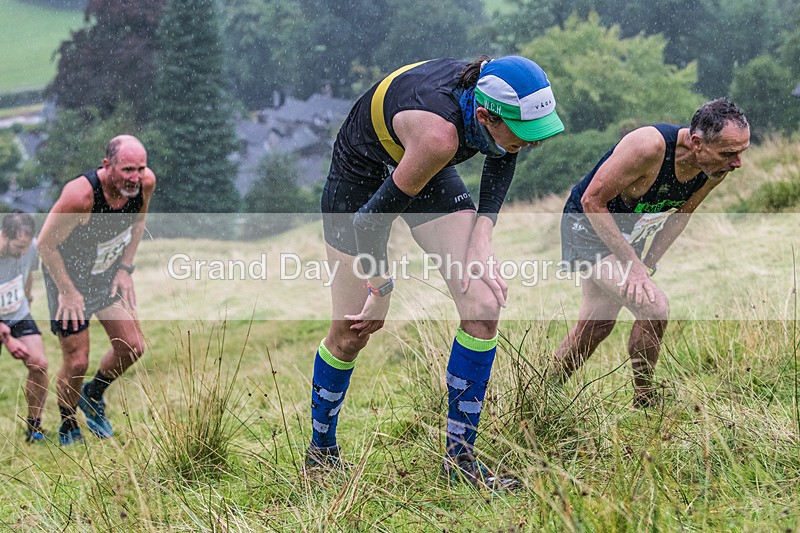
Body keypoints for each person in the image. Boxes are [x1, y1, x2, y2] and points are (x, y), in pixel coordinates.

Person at [309, 56, 564, 489]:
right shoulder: (440, 135)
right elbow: (369, 223)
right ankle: (321, 454)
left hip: (423, 168)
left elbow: (505, 150)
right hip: (360, 177)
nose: (532, 144)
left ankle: (460, 462)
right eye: (525, 134)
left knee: (482, 305)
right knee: (351, 330)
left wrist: (483, 230)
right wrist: (382, 287)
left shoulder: (496, 92)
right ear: (485, 115)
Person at [550, 98, 750, 407]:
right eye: (729, 153)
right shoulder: (648, 146)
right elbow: (592, 202)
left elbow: (682, 214)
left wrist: (648, 263)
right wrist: (634, 266)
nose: (737, 163)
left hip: (629, 232)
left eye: (741, 152)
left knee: (596, 325)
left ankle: (542, 391)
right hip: (588, 224)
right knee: (654, 307)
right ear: (697, 142)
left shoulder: (714, 167)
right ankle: (644, 400)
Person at [38, 135, 156, 445]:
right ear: (107, 166)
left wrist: (125, 268)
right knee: (77, 360)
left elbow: (138, 222)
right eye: (128, 169)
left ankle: (93, 395)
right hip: (67, 281)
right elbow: (45, 244)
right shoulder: (81, 197)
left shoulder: (144, 184)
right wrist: (67, 290)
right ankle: (68, 422)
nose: (135, 177)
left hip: (106, 276)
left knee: (132, 347)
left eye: (140, 168)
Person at [0, 213, 48, 443]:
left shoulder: (31, 247)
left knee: (39, 364)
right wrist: (7, 339)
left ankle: (34, 428)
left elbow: (28, 271)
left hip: (18, 314)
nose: (22, 252)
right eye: (18, 246)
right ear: (4, 236)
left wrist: (27, 297)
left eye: (26, 246)